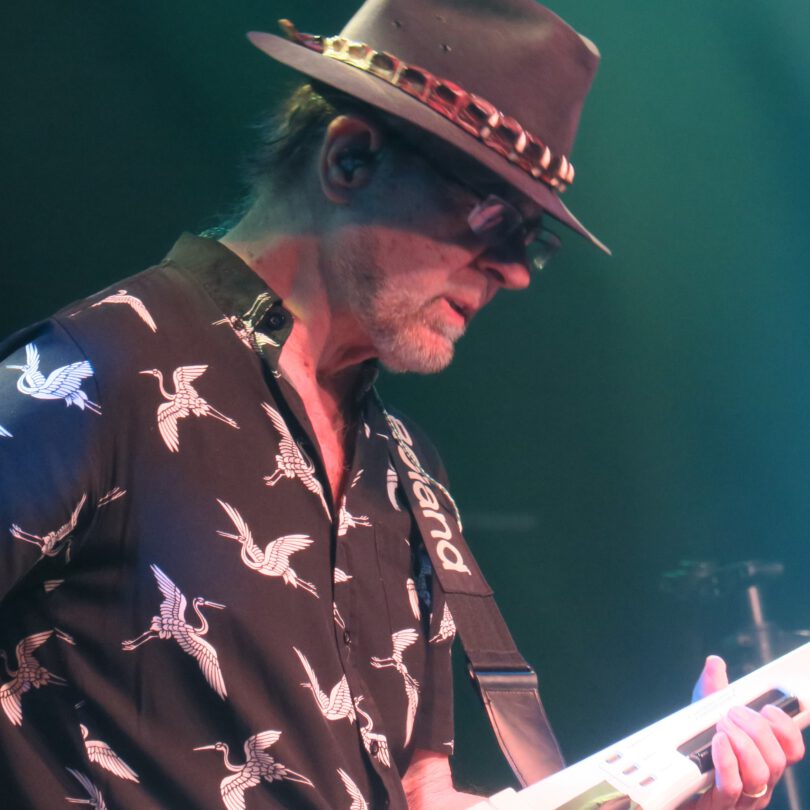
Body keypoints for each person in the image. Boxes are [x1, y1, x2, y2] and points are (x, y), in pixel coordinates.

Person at [0, 0, 803, 808]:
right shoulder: (95, 370)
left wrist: (672, 788)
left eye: (532, 241)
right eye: (494, 218)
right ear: (350, 161)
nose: (514, 271)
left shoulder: (407, 468)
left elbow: (424, 791)